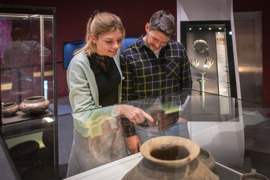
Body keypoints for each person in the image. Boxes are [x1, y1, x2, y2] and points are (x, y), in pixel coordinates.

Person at [66, 11, 153, 177]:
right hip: (91, 137)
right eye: (109, 41)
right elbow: (82, 114)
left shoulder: (113, 55)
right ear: (93, 38)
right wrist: (120, 109)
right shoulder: (78, 65)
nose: (116, 46)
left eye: (119, 40)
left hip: (115, 131)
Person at [120, 10, 192, 154]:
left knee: (180, 164)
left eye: (163, 42)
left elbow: (187, 86)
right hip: (144, 127)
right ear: (147, 28)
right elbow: (126, 99)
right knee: (150, 169)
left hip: (175, 123)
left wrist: (182, 113)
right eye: (154, 39)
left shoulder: (179, 50)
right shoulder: (128, 54)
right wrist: (130, 134)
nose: (158, 45)